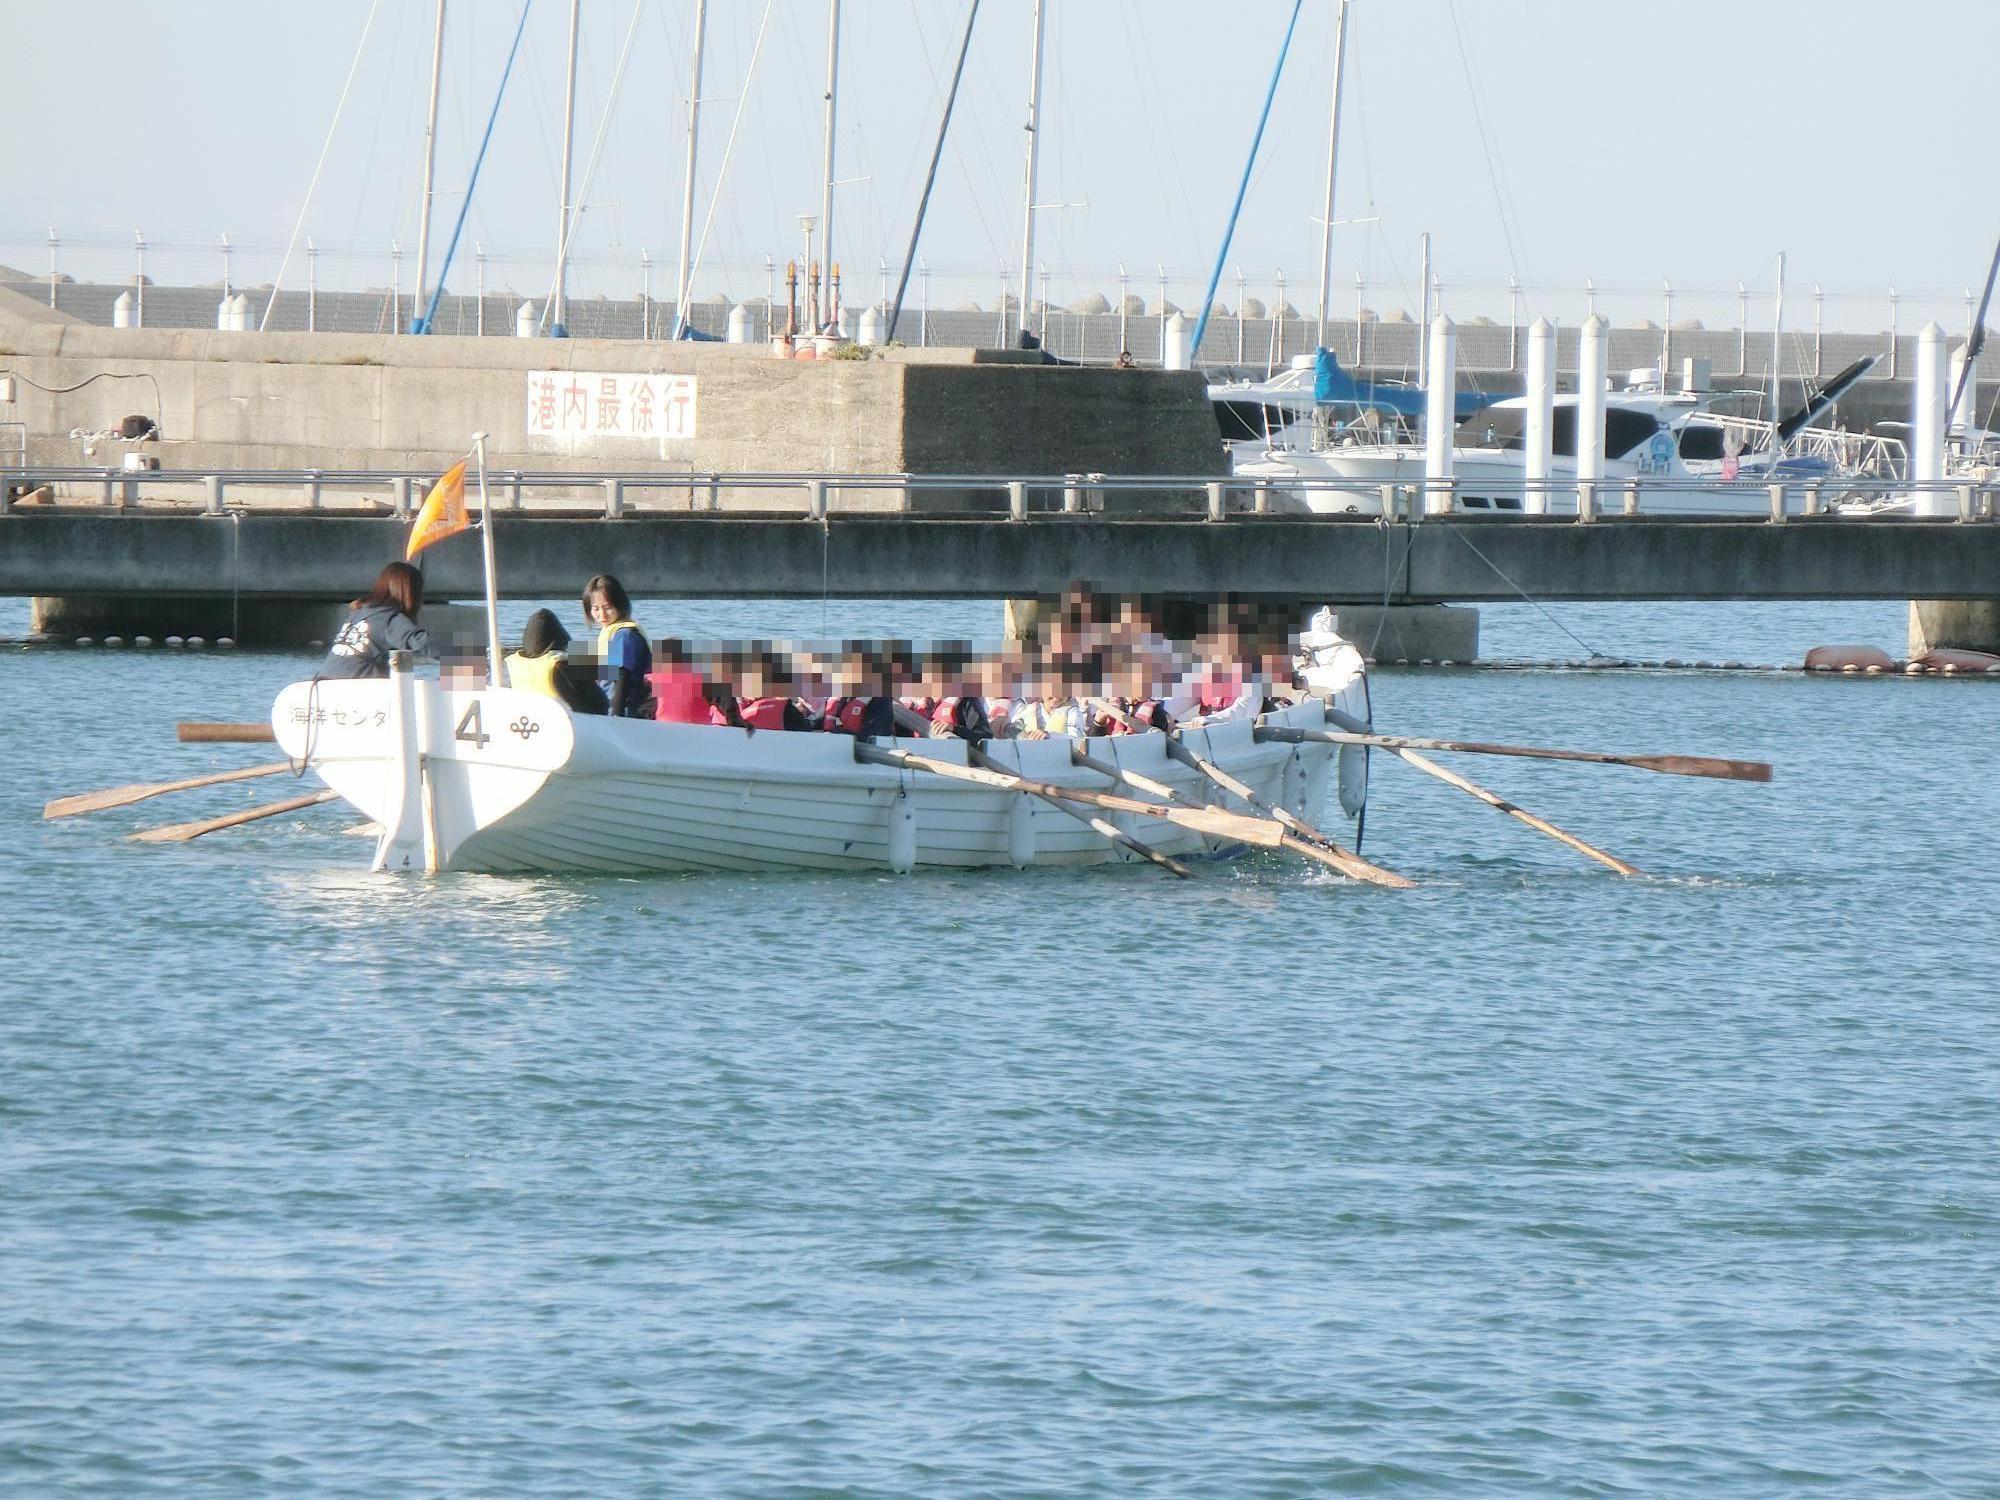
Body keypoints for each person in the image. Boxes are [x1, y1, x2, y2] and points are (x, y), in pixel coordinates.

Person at [321, 561, 439, 679]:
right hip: (353, 688)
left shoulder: (359, 613)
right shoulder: (388, 618)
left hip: (322, 684)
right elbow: (425, 644)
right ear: (411, 593)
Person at [505, 608, 608, 715]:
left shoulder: (517, 664)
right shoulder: (562, 665)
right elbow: (601, 705)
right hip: (576, 725)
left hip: (532, 723)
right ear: (560, 636)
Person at [583, 573, 654, 719]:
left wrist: (616, 717)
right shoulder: (608, 633)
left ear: (620, 605)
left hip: (627, 712)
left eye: (607, 607)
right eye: (596, 608)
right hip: (606, 707)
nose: (602, 615)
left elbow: (622, 678)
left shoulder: (625, 635)